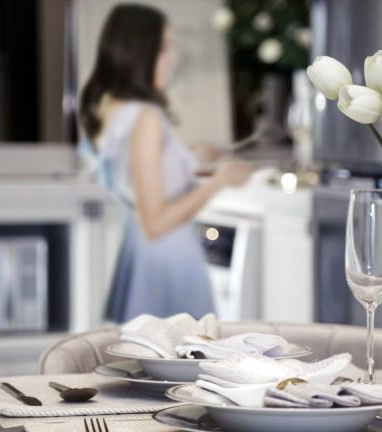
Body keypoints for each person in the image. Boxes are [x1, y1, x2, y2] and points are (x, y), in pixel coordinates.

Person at [79, 3, 254, 322]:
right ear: (138, 53)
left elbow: (138, 171)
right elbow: (156, 221)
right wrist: (221, 180)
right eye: (163, 48)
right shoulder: (146, 117)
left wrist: (190, 155)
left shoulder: (111, 109)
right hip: (168, 267)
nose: (172, 59)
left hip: (145, 262)